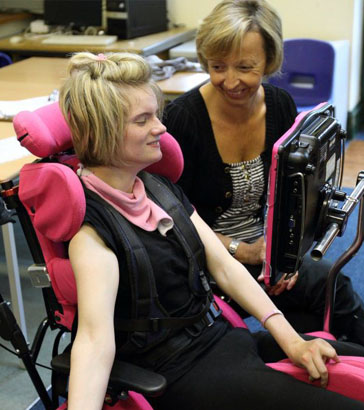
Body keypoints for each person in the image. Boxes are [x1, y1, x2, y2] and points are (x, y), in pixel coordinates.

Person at [58, 51, 364, 410]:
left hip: (223, 341)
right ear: (103, 132)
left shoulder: (157, 187)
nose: (161, 127)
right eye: (143, 120)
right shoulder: (92, 234)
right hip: (181, 372)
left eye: (156, 114)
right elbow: (94, 342)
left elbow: (225, 267)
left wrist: (292, 341)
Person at [163, 0, 364, 342]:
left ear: (269, 60)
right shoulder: (183, 119)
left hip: (264, 250)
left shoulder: (280, 105)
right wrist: (243, 251)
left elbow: (291, 194)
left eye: (245, 67)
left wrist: (286, 255)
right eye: (217, 66)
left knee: (325, 302)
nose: (230, 81)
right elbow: (172, 217)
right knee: (329, 291)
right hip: (206, 256)